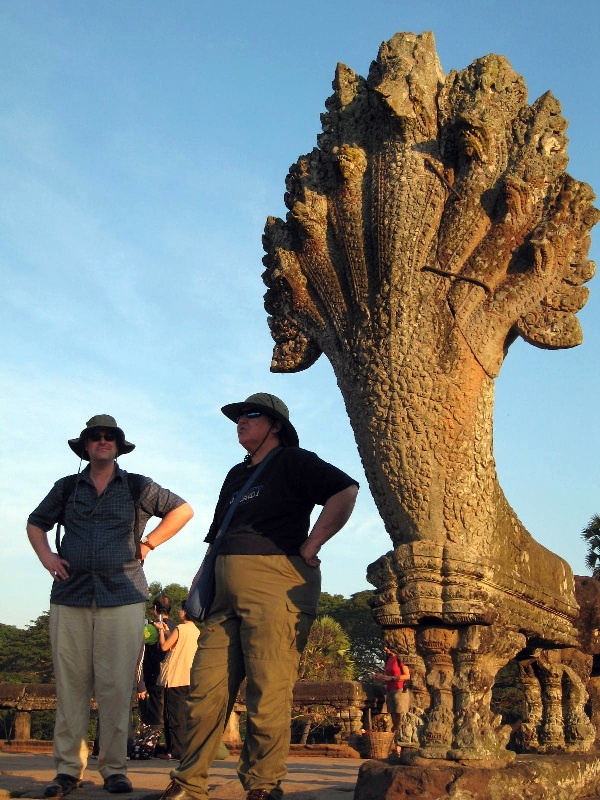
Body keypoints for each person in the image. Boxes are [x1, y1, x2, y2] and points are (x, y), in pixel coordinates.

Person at [159, 392, 358, 800]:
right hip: (222, 590)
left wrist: (312, 545)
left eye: (252, 415)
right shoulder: (235, 474)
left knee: (268, 689)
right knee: (204, 691)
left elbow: (345, 490)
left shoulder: (294, 461)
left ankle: (263, 784)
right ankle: (189, 782)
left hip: (276, 582)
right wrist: (200, 582)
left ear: (276, 425)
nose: (241, 421)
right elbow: (216, 536)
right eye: (239, 417)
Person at [26, 415, 194, 797]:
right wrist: (48, 558)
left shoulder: (137, 486)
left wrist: (149, 543)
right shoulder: (67, 488)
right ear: (84, 446)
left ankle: (114, 768)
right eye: (95, 437)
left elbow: (182, 510)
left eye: (109, 437)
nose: (103, 441)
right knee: (71, 685)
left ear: (118, 445)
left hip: (124, 594)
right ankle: (68, 770)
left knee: (117, 686)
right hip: (71, 594)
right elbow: (36, 524)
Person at [156, 606, 201, 760]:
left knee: (173, 716)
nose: (179, 612)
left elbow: (164, 646)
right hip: (189, 677)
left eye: (181, 610)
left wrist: (161, 631)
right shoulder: (196, 631)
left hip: (175, 677)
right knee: (184, 715)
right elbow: (177, 644)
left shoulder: (181, 628)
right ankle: (183, 749)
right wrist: (168, 631)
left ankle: (175, 751)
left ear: (186, 612)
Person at [137, 595, 177, 729]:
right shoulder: (176, 628)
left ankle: (151, 745)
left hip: (153, 678)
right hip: (173, 680)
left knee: (152, 718)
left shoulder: (149, 628)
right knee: (171, 717)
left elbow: (138, 649)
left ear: (155, 609)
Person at [373, 646, 411, 757]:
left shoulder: (400, 658)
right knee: (394, 720)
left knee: (401, 718)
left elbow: (407, 676)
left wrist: (392, 678)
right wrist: (382, 677)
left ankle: (402, 746)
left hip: (400, 690)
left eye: (387, 646)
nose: (385, 648)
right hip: (390, 690)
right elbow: (389, 676)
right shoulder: (389, 659)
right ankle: (395, 747)